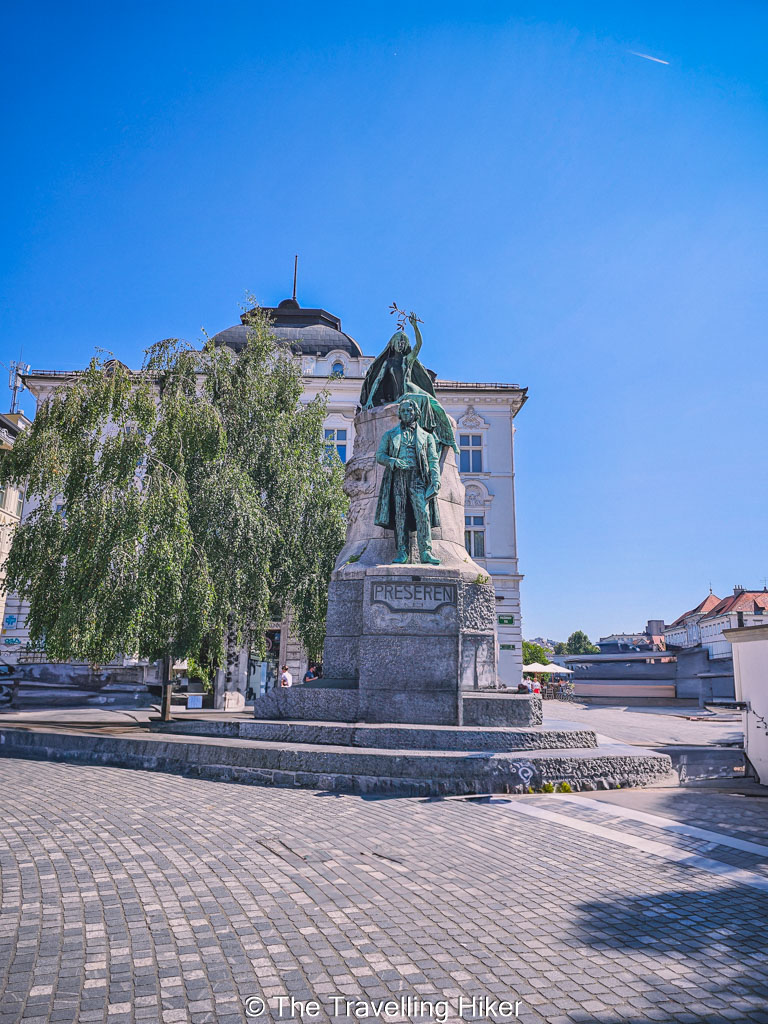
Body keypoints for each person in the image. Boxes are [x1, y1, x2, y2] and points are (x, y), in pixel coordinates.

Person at [375, 396, 441, 564]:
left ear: (415, 413)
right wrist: (393, 461)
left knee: (423, 513)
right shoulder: (390, 435)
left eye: (409, 410)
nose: (406, 413)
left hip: (418, 478)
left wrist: (436, 481)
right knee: (400, 515)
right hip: (398, 478)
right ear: (400, 414)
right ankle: (402, 552)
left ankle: (425, 552)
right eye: (403, 411)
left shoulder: (427, 437)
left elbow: (433, 460)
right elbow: (380, 455)